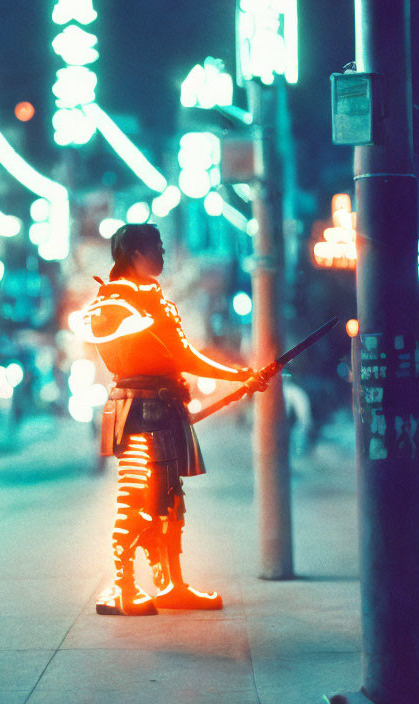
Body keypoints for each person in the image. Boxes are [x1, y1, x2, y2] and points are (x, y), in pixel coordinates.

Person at [80, 223, 267, 616]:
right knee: (136, 500)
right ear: (134, 254)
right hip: (136, 409)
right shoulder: (114, 301)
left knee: (169, 501)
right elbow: (167, 354)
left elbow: (183, 356)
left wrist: (240, 376)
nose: (163, 256)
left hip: (164, 409)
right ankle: (122, 586)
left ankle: (170, 584)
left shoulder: (155, 300)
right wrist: (237, 375)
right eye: (156, 248)